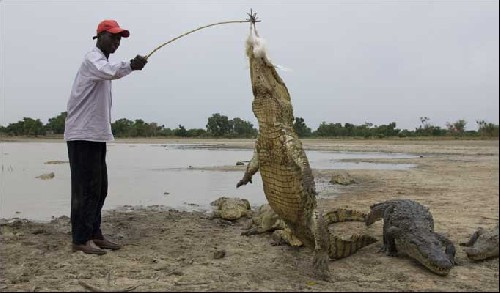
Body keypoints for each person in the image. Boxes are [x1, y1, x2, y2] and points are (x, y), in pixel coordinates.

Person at [64, 20, 148, 255]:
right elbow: (109, 71)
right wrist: (131, 65)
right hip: (82, 135)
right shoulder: (93, 60)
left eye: (119, 38)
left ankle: (94, 234)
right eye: (112, 37)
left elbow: (110, 71)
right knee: (85, 189)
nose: (117, 41)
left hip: (96, 135)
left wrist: (129, 66)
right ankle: (80, 239)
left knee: (100, 189)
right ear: (99, 36)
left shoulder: (103, 62)